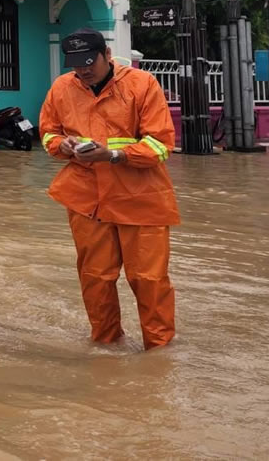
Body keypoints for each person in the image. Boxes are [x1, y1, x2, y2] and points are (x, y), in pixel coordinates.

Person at [39, 28, 179, 350]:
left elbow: (161, 145)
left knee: (149, 281)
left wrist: (114, 155)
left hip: (140, 197)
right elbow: (48, 134)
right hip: (88, 200)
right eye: (76, 65)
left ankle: (159, 352)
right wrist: (65, 145)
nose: (83, 71)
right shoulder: (62, 88)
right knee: (95, 278)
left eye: (89, 62)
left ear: (107, 54)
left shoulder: (142, 85)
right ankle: (106, 347)